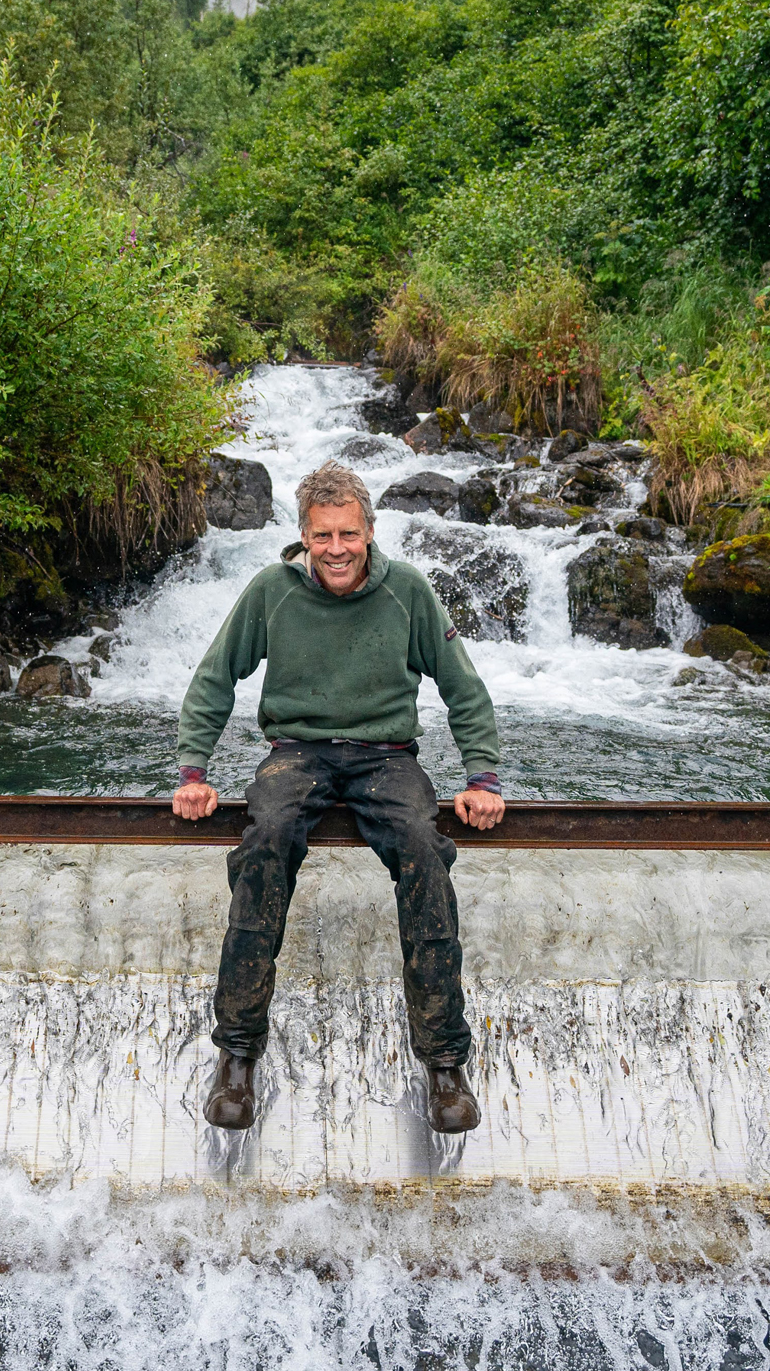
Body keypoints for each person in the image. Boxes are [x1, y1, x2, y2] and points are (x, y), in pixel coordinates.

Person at [172, 460, 505, 1134]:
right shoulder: (273, 590)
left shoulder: (408, 590)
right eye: (322, 536)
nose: (336, 549)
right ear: (303, 535)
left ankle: (444, 1064)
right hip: (294, 753)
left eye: (347, 534)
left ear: (370, 532)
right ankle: (236, 1054)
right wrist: (192, 773)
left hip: (386, 757)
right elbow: (214, 679)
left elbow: (462, 688)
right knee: (263, 845)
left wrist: (483, 780)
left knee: (423, 850)